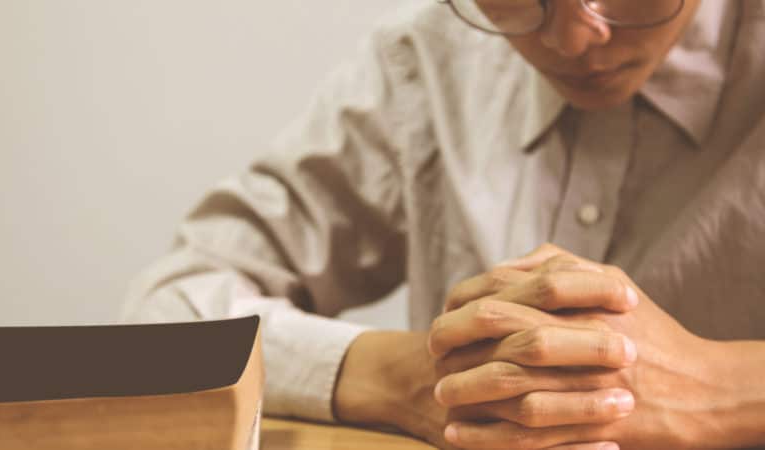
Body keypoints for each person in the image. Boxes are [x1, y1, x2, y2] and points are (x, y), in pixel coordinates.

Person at [123, 0, 765, 448]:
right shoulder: (427, 60)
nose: (573, 39)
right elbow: (167, 311)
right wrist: (402, 377)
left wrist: (725, 387)